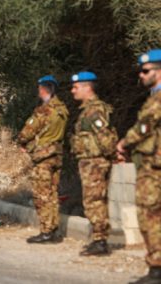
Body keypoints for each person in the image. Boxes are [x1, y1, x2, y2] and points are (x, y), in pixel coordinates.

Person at [117, 49, 161, 284]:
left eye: (146, 71)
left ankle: (157, 267)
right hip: (151, 164)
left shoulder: (158, 99)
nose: (141, 75)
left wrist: (125, 142)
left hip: (155, 168)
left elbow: (144, 127)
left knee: (149, 214)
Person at [69, 71, 118, 256]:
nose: (73, 91)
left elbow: (104, 136)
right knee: (91, 199)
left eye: (76, 87)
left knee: (95, 199)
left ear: (87, 87)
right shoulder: (87, 110)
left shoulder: (95, 110)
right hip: (89, 161)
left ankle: (100, 241)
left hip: (96, 162)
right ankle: (98, 238)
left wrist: (112, 155)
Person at [17, 75, 68, 244]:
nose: (38, 92)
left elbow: (27, 131)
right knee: (53, 193)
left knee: (42, 194)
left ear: (44, 89)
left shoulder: (43, 111)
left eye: (39, 88)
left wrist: (22, 142)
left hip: (44, 156)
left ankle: (46, 231)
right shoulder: (62, 109)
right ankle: (52, 228)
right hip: (57, 155)